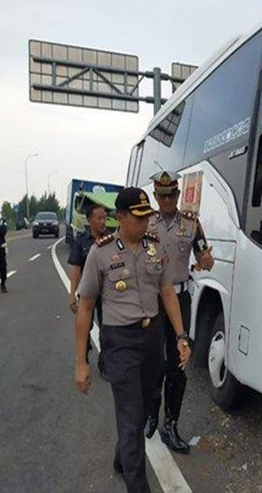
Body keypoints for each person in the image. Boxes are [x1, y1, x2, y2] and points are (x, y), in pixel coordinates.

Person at [74, 187, 191, 493]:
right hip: (120, 341)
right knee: (130, 418)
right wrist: (81, 363)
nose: (144, 223)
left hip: (152, 338)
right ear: (120, 217)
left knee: (141, 409)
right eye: (138, 218)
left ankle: (121, 458)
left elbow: (167, 292)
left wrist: (180, 336)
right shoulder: (100, 253)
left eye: (147, 217)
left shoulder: (154, 249)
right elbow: (85, 307)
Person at [144, 170, 214, 454]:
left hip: (181, 299)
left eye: (172, 194)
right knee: (152, 363)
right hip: (151, 301)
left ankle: (170, 424)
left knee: (177, 365)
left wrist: (207, 260)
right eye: (162, 195)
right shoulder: (146, 222)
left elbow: (204, 260)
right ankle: (151, 413)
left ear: (178, 193)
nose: (168, 200)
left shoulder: (192, 224)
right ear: (155, 196)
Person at [68, 204, 107, 376]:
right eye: (99, 218)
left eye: (105, 218)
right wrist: (72, 295)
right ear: (90, 220)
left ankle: (104, 365)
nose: (103, 221)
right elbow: (76, 269)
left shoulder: (111, 240)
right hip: (87, 292)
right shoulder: (81, 241)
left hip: (107, 293)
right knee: (84, 326)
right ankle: (82, 358)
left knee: (107, 330)